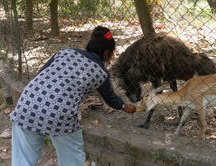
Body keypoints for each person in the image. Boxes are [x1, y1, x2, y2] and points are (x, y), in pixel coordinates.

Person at [10, 26, 136, 166]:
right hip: (59, 114)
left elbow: (42, 73)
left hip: (27, 103)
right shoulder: (101, 72)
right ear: (107, 53)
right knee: (72, 160)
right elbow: (111, 99)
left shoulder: (65, 52)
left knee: (23, 160)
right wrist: (124, 106)